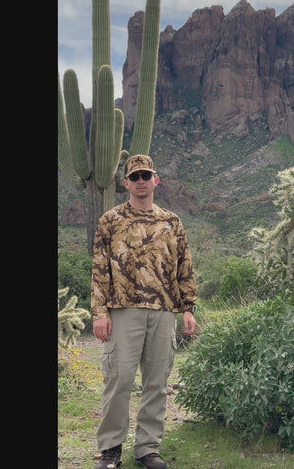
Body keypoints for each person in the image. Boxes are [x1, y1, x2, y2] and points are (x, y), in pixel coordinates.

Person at [91, 154, 197, 469]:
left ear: (155, 180)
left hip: (164, 310)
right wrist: (100, 312)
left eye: (145, 176)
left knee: (156, 382)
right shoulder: (110, 220)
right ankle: (110, 450)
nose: (140, 181)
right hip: (122, 309)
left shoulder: (172, 221)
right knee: (119, 379)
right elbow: (99, 269)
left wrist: (188, 308)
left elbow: (184, 266)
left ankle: (147, 450)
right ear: (126, 183)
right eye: (134, 177)